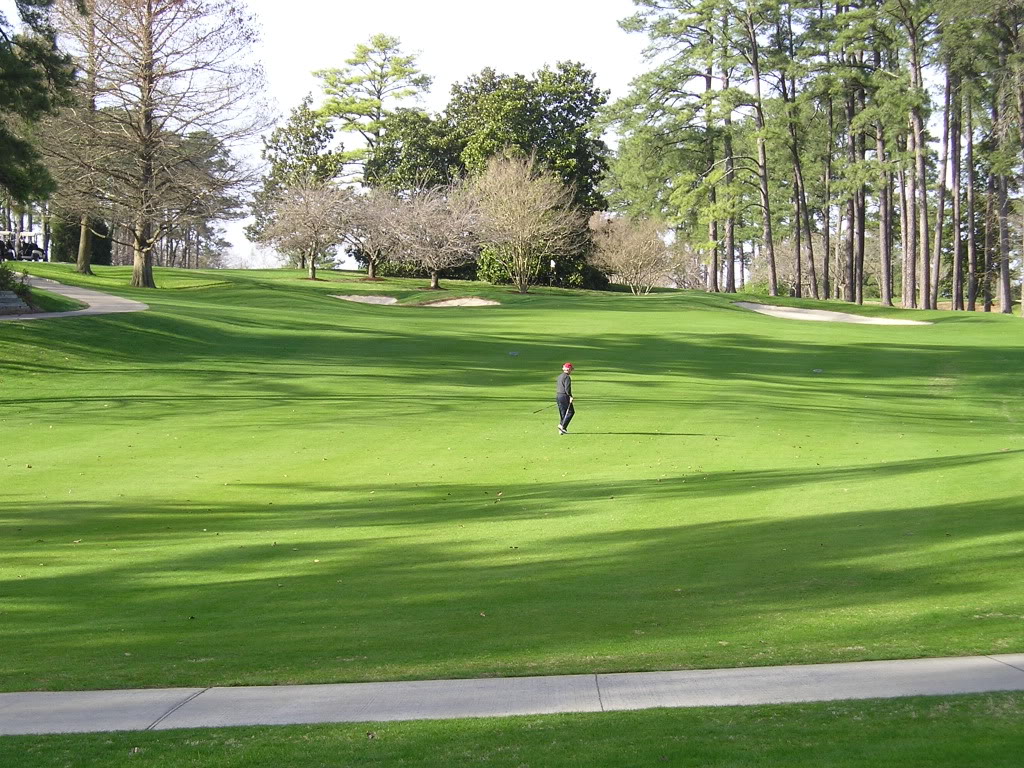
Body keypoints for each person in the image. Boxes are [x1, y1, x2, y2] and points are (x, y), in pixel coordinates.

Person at [555, 362, 575, 434]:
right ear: (569, 369)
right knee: (570, 412)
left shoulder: (560, 376)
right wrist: (570, 396)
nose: (571, 371)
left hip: (558, 395)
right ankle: (562, 425)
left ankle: (562, 429)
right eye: (571, 369)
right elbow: (567, 389)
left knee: (563, 413)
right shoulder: (567, 377)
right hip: (564, 396)